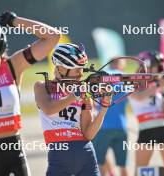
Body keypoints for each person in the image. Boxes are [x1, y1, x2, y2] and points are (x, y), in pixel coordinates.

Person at [0, 11, 61, 176]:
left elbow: (53, 37)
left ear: (3, 53)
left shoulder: (14, 66)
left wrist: (15, 21)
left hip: (12, 153)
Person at [34, 43, 112, 176]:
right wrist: (75, 95)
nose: (80, 74)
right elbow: (48, 109)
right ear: (60, 68)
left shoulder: (84, 93)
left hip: (86, 155)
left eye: (82, 69)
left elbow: (88, 134)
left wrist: (104, 109)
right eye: (76, 69)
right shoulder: (43, 86)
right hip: (59, 155)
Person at [129, 51, 164, 176]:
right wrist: (158, 85)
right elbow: (137, 97)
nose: (160, 70)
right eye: (158, 66)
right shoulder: (133, 81)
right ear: (146, 66)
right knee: (139, 170)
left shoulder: (162, 83)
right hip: (146, 128)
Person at [93, 59, 129, 176]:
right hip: (121, 127)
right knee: (123, 166)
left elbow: (94, 103)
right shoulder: (124, 81)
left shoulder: (101, 79)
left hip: (103, 127)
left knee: (100, 163)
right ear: (118, 65)